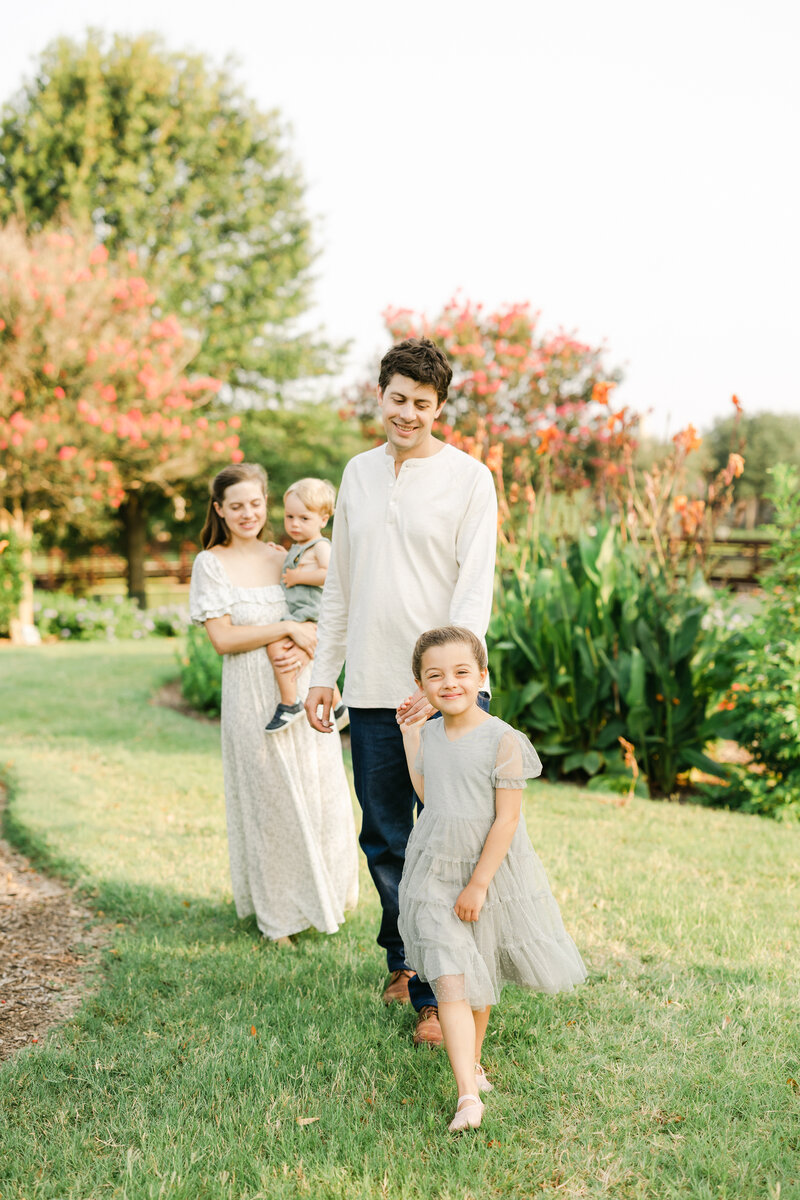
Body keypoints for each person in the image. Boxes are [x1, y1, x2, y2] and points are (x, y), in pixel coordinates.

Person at [304, 337, 497, 1046]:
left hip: (446, 695)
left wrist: (451, 687)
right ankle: (409, 969)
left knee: (450, 841)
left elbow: (473, 590)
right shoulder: (356, 475)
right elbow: (341, 586)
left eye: (422, 403)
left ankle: (450, 985)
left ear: (439, 406)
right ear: (380, 396)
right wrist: (325, 671)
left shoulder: (470, 479)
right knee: (386, 838)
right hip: (375, 688)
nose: (407, 413)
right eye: (397, 399)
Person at [397, 626, 587, 1132]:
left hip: (486, 872)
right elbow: (428, 792)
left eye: (462, 672)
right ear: (420, 684)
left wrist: (479, 884)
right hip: (434, 869)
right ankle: (466, 1096)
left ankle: (473, 1064)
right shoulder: (431, 732)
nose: (449, 683)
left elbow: (506, 820)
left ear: (483, 677)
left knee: (477, 985)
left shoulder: (502, 739)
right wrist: (410, 736)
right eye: (434, 675)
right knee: (451, 980)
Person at [189, 462, 358, 945]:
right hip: (251, 693)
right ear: (219, 509)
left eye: (256, 504)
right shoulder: (211, 563)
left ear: (267, 503)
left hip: (302, 688)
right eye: (236, 506)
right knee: (269, 801)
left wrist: (308, 641)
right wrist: (285, 629)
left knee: (316, 789)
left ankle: (322, 896)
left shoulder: (284, 555)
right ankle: (277, 915)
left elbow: (319, 612)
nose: (247, 513)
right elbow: (222, 638)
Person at [264, 477, 346, 734]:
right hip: (301, 614)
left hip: (311, 612)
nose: (295, 524)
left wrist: (299, 576)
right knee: (315, 657)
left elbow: (331, 573)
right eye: (289, 517)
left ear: (323, 520)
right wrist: (281, 553)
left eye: (304, 518)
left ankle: (290, 703)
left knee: (277, 645)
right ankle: (339, 705)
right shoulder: (298, 547)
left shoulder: (321, 546)